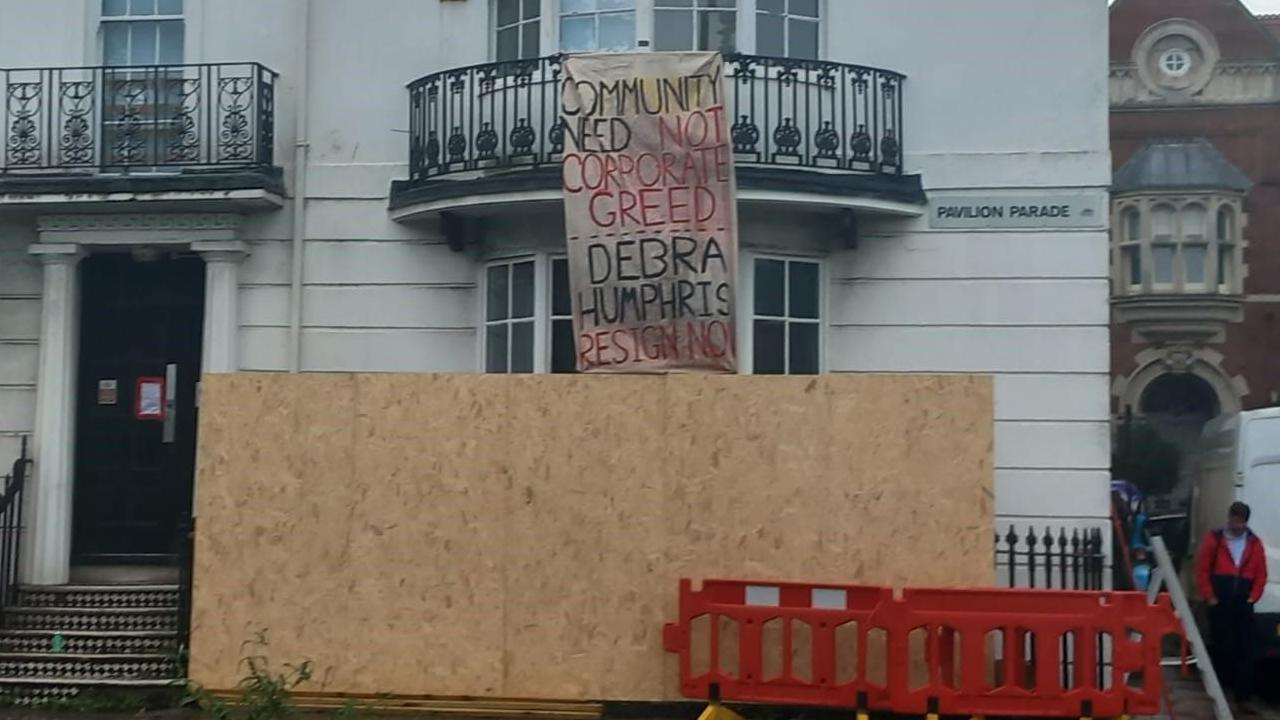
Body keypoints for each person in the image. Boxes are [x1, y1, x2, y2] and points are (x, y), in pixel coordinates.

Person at [1196, 501, 1267, 712]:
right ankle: (1219, 695)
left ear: (1245, 521)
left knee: (1246, 649)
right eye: (1234, 520)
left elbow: (1261, 573)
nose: (1237, 525)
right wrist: (1210, 597)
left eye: (1241, 521)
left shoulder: (1255, 543)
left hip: (1243, 600)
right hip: (1220, 599)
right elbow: (1202, 568)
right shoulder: (1215, 538)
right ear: (1229, 517)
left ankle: (1242, 697)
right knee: (1221, 647)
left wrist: (1254, 597)